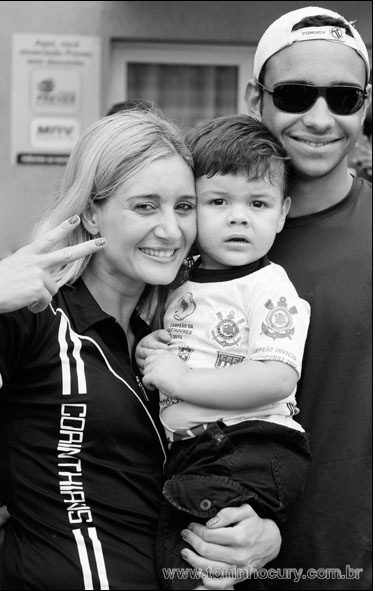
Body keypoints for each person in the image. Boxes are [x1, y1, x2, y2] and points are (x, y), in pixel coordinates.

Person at [0, 110, 282, 590]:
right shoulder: (36, 316)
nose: (171, 231)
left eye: (185, 207)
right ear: (92, 213)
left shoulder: (177, 334)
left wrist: (264, 533)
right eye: (145, 207)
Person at [137, 114, 312, 591]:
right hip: (201, 449)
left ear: (281, 213)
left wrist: (181, 381)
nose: (238, 216)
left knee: (193, 555)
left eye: (258, 202)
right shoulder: (179, 279)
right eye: (218, 201)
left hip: (250, 445)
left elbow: (277, 377)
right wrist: (153, 353)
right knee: (189, 555)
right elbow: (186, 351)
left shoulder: (268, 286)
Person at [244, 6, 372, 589]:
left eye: (344, 99)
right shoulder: (192, 239)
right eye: (296, 94)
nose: (320, 119)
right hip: (219, 562)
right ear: (256, 99)